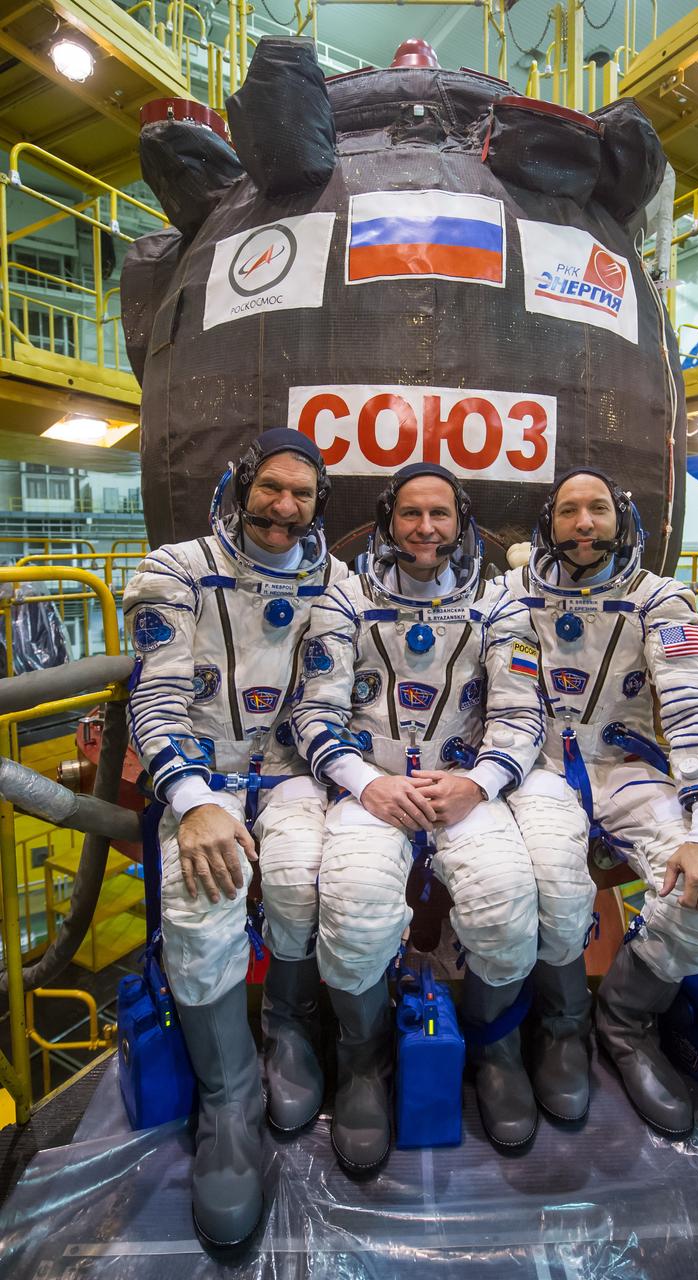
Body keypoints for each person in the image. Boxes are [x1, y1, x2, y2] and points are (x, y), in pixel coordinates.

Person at [123, 428, 347, 1246]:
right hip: (201, 772)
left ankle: (289, 1037)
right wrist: (191, 798)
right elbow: (155, 700)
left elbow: (324, 701)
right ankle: (229, 1099)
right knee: (197, 906)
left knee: (302, 878)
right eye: (272, 490)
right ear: (241, 485)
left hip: (289, 771)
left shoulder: (335, 582)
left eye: (302, 496)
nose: (284, 509)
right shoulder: (174, 569)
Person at [291, 462, 545, 1170]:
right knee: (352, 905)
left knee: (504, 903)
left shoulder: (500, 608)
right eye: (410, 514)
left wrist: (478, 783)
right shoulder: (343, 603)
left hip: (461, 788)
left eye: (439, 514)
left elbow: (521, 718)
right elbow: (314, 711)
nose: (425, 529)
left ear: (461, 521)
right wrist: (364, 783)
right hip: (372, 790)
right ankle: (363, 1062)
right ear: (386, 520)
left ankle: (494, 1052)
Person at [502, 468, 698, 1138]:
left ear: (618, 517)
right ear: (548, 522)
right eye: (570, 510)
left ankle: (627, 1023)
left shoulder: (659, 600)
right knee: (552, 882)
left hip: (626, 771)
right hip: (540, 769)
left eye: (598, 508)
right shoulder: (509, 596)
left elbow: (695, 706)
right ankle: (562, 1029)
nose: (584, 523)